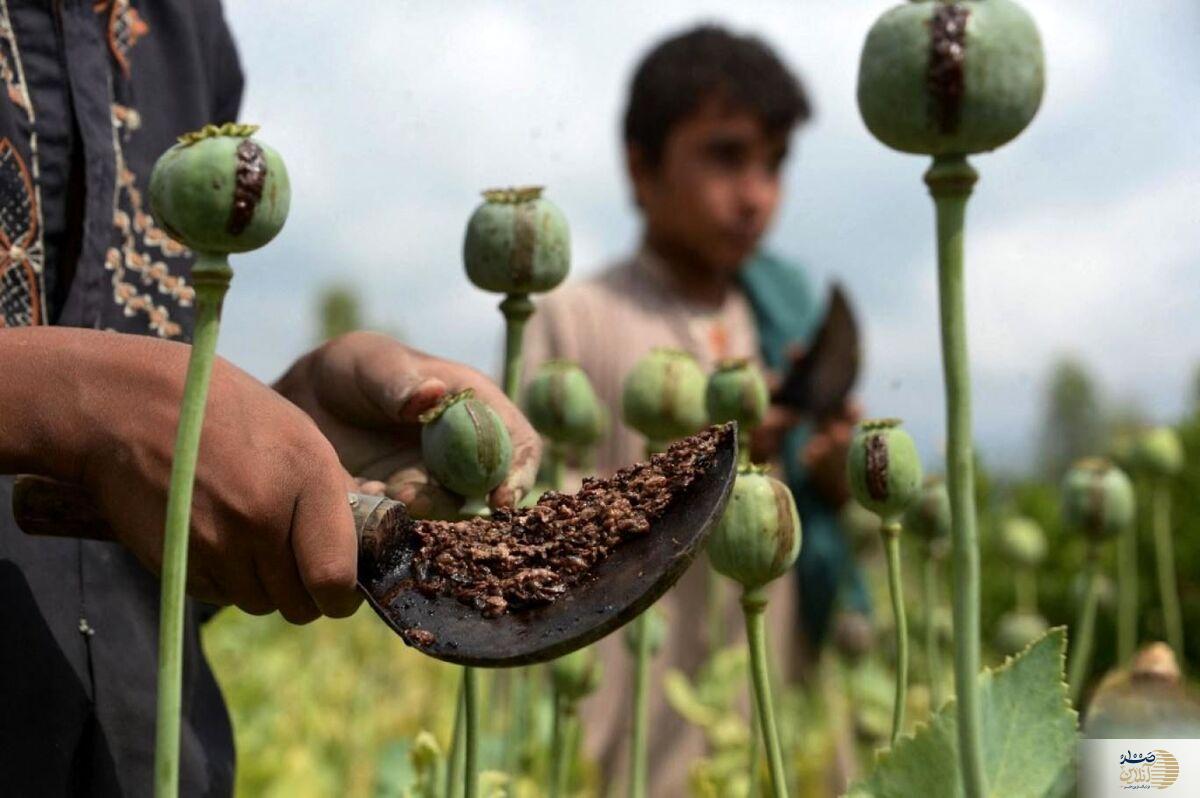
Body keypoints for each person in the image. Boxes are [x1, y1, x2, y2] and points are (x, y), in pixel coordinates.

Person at [0, 3, 538, 795]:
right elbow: (114, 407)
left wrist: (280, 430)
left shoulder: (184, 26)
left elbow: (143, 512)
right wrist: (84, 400)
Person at [523, 25, 864, 794]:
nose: (756, 195)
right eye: (726, 155)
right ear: (642, 169)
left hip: (767, 698)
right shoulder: (574, 319)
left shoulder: (783, 324)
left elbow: (813, 523)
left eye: (775, 164)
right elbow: (528, 525)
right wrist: (705, 459)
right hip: (622, 712)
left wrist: (831, 478)